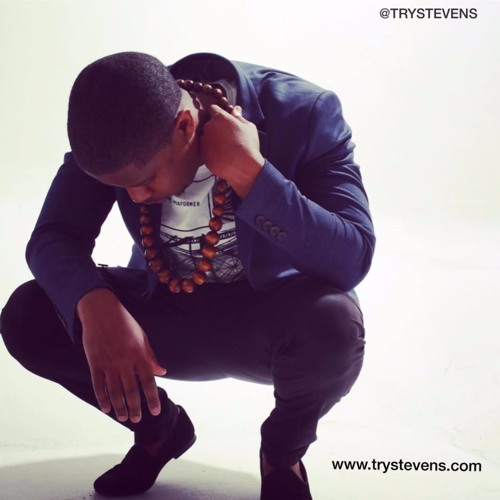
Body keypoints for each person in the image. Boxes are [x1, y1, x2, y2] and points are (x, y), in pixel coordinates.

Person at [0, 51, 375, 499]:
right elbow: (53, 236)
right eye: (121, 187)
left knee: (335, 325)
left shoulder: (303, 112)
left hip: (270, 321)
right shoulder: (116, 124)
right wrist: (94, 305)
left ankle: (281, 455)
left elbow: (352, 258)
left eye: (145, 179)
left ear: (184, 126)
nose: (135, 197)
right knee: (28, 315)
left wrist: (251, 173)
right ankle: (160, 431)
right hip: (163, 315)